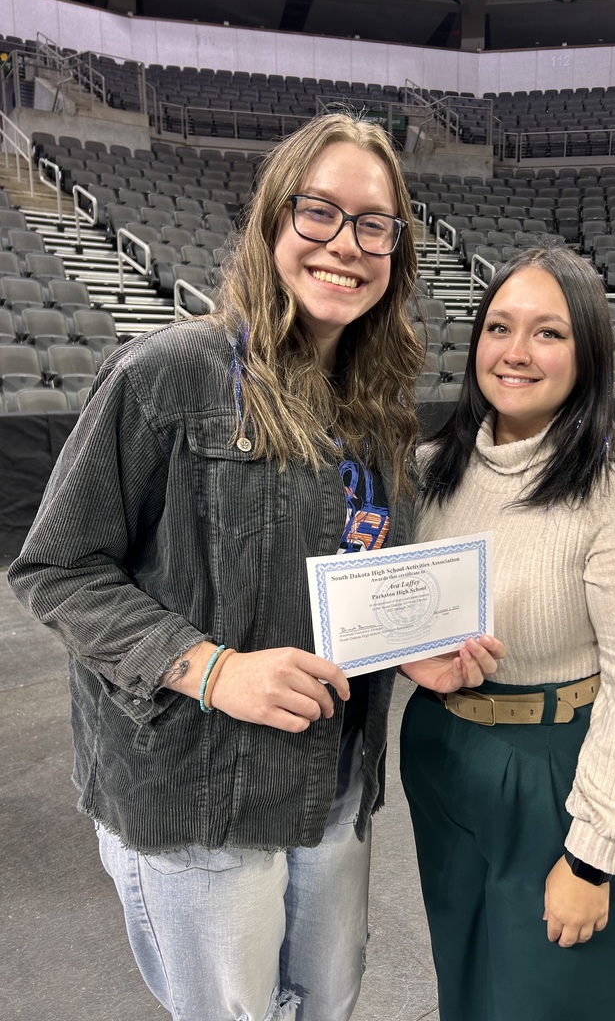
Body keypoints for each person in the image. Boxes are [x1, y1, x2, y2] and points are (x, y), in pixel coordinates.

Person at [7, 112, 501, 1021]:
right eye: (319, 212)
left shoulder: (378, 414)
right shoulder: (166, 376)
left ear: (396, 250)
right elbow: (56, 569)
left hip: (332, 783)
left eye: (373, 224)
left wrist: (410, 648)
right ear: (274, 219)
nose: (345, 244)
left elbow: (355, 582)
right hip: (203, 792)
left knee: (326, 1002)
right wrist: (213, 669)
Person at [399, 243, 615, 1021]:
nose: (516, 352)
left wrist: (592, 859)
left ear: (588, 352)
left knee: (560, 1003)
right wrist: (412, 661)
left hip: (564, 771)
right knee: (466, 986)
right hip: (445, 755)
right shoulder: (431, 471)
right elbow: (400, 616)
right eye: (499, 327)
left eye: (548, 333)